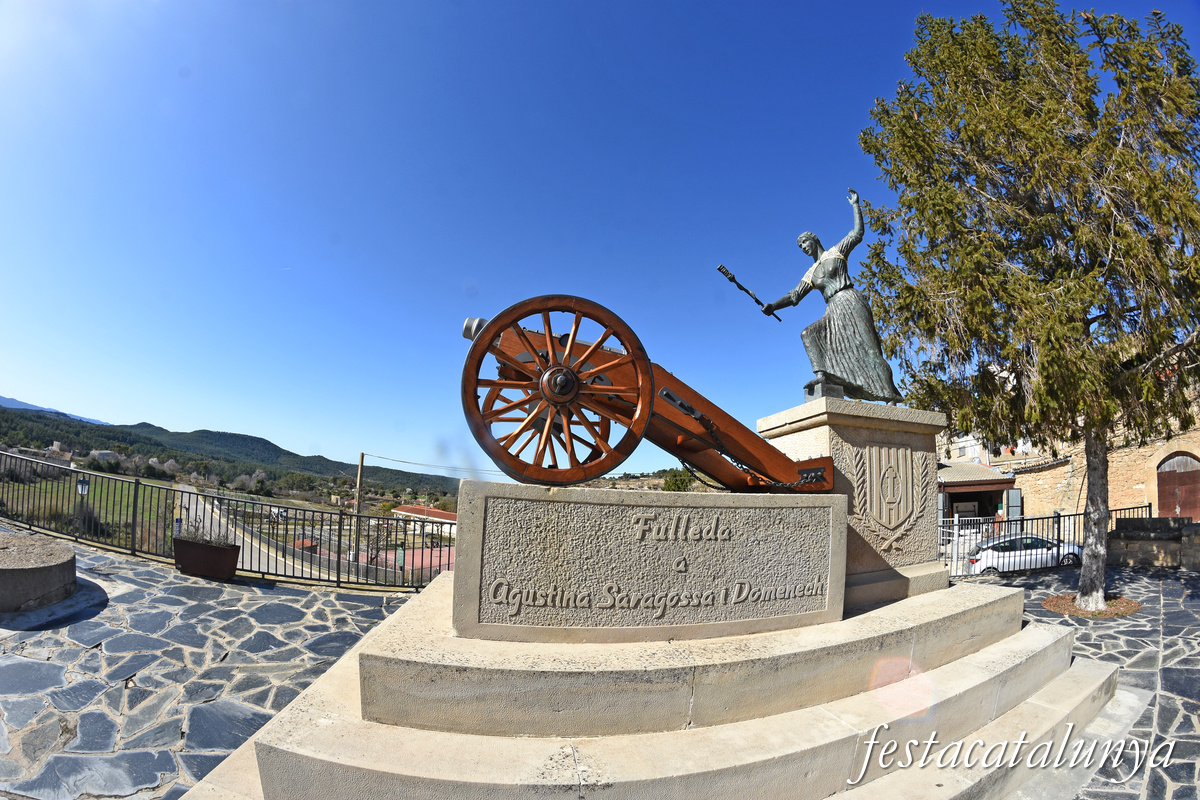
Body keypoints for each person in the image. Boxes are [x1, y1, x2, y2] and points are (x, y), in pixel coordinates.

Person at [762, 189, 902, 404]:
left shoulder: (836, 252)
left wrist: (856, 205)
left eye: (804, 243)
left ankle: (890, 396)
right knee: (808, 333)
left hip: (851, 300)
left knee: (870, 348)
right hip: (833, 309)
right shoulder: (811, 273)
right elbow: (794, 296)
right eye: (800, 247)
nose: (803, 248)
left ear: (814, 240)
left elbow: (857, 234)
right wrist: (773, 305)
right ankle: (822, 377)